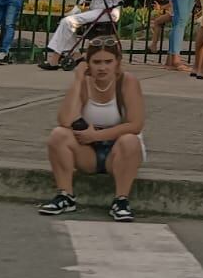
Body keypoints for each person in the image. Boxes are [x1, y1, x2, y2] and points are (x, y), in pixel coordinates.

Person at [38, 36, 146, 221]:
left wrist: (96, 135)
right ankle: (65, 195)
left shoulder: (127, 81)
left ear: (117, 62)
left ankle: (121, 200)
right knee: (58, 135)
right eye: (96, 62)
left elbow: (135, 125)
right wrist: (78, 80)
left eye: (108, 62)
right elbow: (65, 120)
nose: (102, 68)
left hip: (118, 151)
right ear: (88, 63)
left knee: (130, 140)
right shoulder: (85, 82)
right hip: (88, 151)